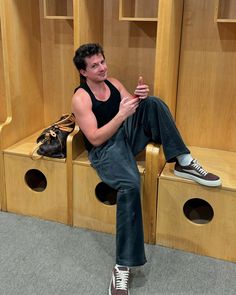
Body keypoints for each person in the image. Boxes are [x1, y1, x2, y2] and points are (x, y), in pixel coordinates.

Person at [72, 43, 221, 295]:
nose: (102, 68)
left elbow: (131, 110)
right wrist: (121, 115)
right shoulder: (81, 98)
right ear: (83, 72)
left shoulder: (114, 83)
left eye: (103, 62)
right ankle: (122, 266)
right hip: (105, 150)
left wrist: (138, 98)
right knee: (130, 185)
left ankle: (184, 161)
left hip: (124, 136)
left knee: (153, 103)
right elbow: (95, 138)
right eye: (95, 65)